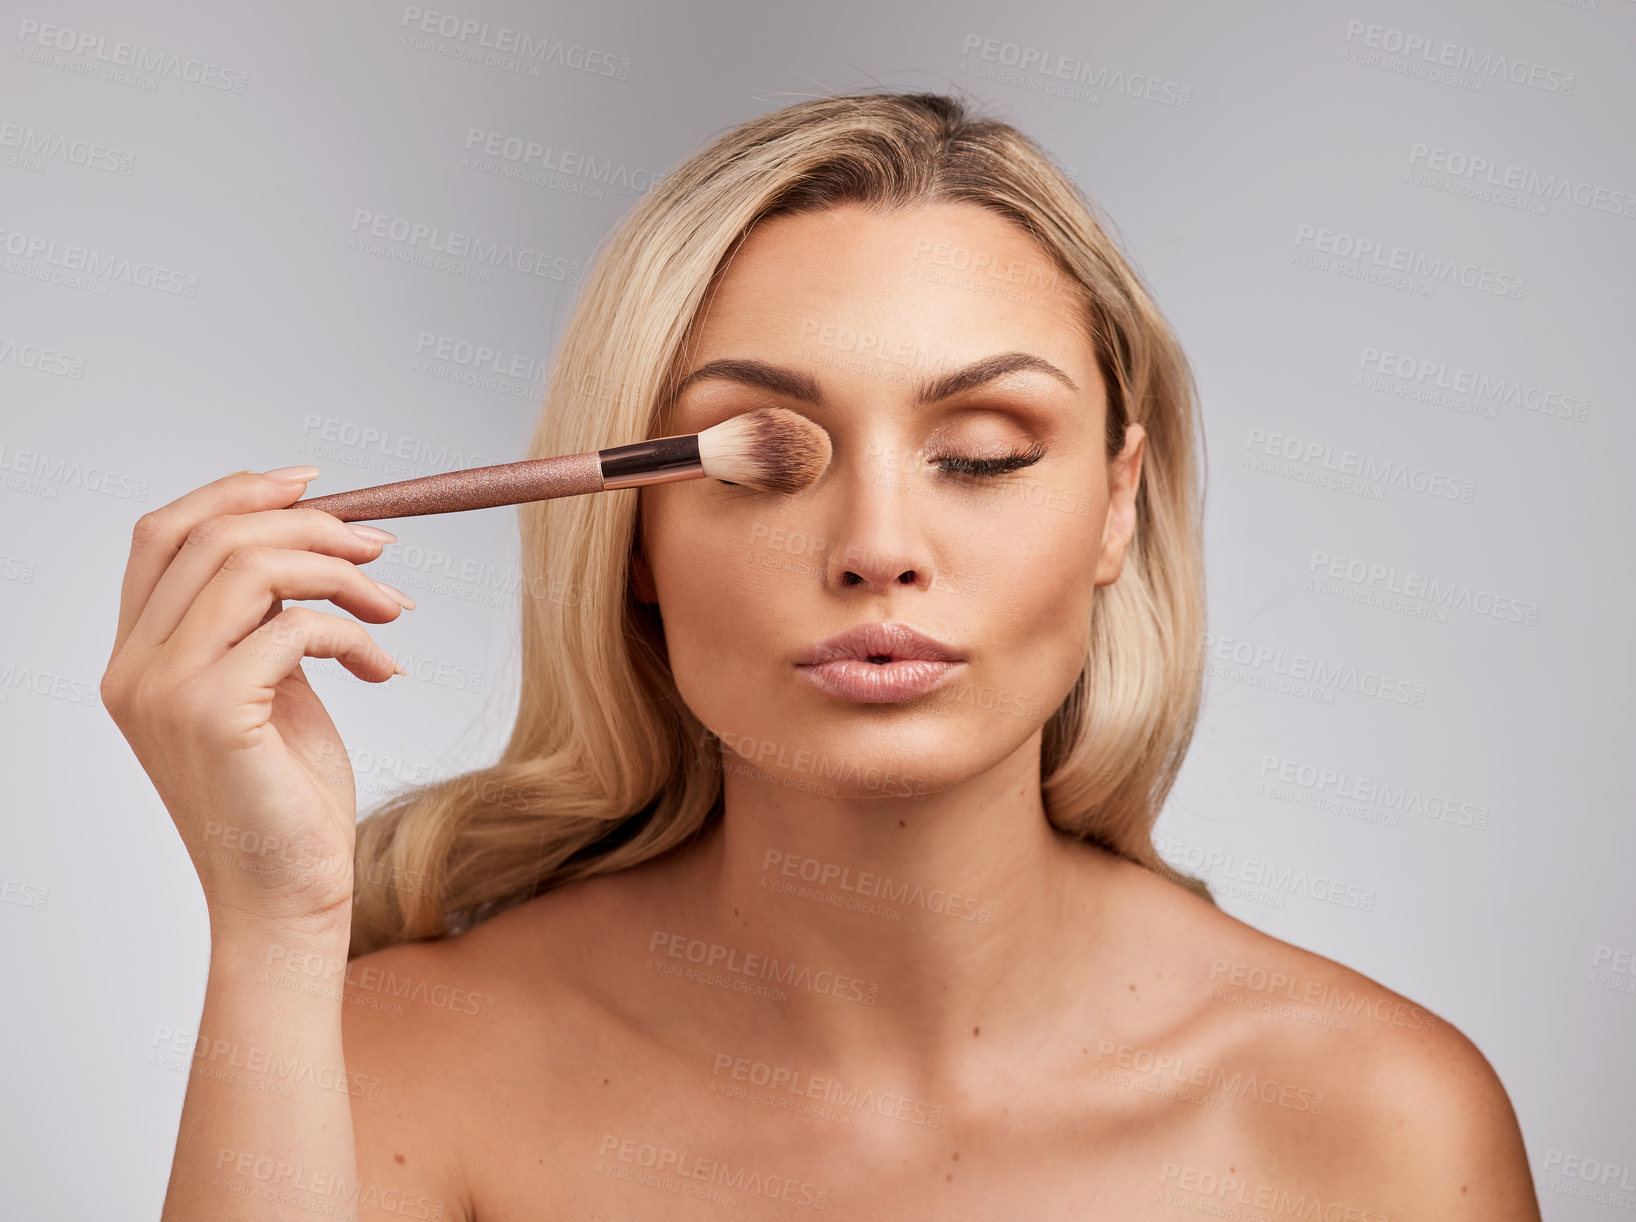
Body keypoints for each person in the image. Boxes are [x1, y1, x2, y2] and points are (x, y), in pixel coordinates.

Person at [104, 90, 1540, 1220]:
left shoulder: (1375, 1116)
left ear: (1118, 503)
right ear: (637, 544)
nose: (875, 543)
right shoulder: (397, 1067)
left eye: (979, 455)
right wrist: (272, 925)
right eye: (765, 463)